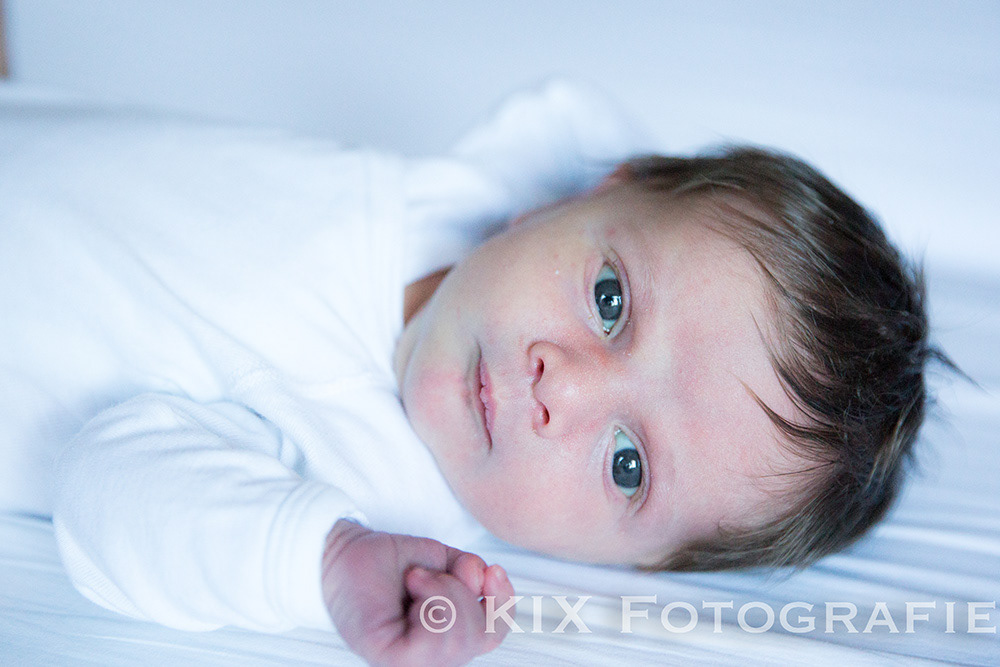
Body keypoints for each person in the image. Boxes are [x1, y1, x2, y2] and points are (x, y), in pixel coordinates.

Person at [0, 82, 944, 666]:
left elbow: (105, 488)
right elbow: (576, 112)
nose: (561, 389)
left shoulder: (374, 488)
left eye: (627, 465)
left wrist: (319, 558)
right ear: (587, 194)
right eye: (609, 300)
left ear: (631, 565)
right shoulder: (479, 191)